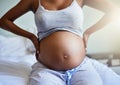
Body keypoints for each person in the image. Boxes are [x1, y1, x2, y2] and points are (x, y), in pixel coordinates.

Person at [0, 0, 120, 85]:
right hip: (46, 69)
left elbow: (113, 9)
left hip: (81, 67)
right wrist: (31, 36)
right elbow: (4, 21)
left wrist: (88, 33)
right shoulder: (34, 1)